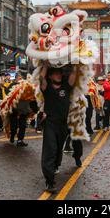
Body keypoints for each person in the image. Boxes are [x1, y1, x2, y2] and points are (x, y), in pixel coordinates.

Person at [40, 65, 78, 193]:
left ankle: (56, 165)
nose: (58, 75)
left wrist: (76, 61)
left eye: (59, 73)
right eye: (55, 73)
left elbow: (73, 75)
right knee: (50, 150)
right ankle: (49, 182)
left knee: (58, 149)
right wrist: (45, 60)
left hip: (63, 124)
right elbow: (41, 77)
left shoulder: (66, 87)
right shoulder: (47, 88)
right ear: (50, 76)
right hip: (50, 123)